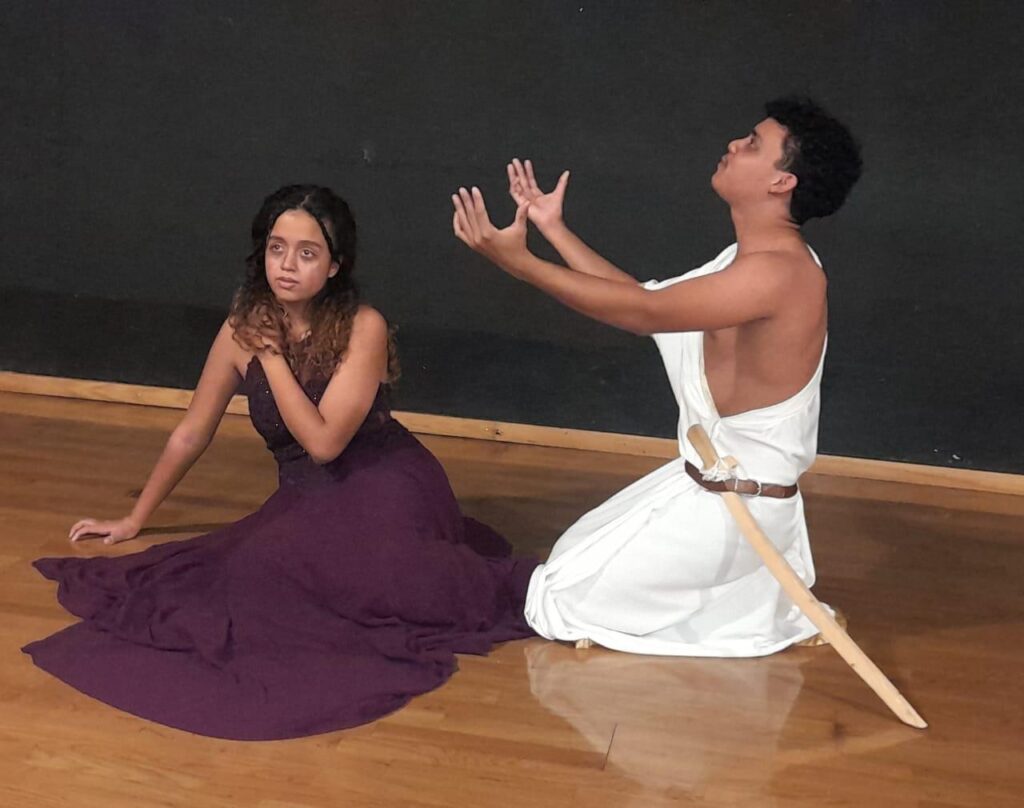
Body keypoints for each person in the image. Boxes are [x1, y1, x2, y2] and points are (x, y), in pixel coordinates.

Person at [23, 185, 538, 740]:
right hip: (308, 495)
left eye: (307, 252)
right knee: (249, 576)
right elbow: (193, 431)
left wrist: (270, 357)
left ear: (335, 265)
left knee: (365, 582)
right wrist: (134, 518)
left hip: (383, 480)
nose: (287, 265)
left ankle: (535, 591)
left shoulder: (363, 326)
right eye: (277, 248)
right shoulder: (239, 328)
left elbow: (324, 444)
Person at [452, 96, 861, 656]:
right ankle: (745, 594)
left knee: (558, 602)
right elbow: (645, 300)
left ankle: (751, 594)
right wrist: (553, 229)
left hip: (743, 509)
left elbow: (643, 313)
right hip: (705, 486)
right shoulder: (740, 262)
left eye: (752, 144)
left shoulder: (781, 274)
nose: (734, 145)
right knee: (565, 565)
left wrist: (519, 263)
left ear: (781, 181)